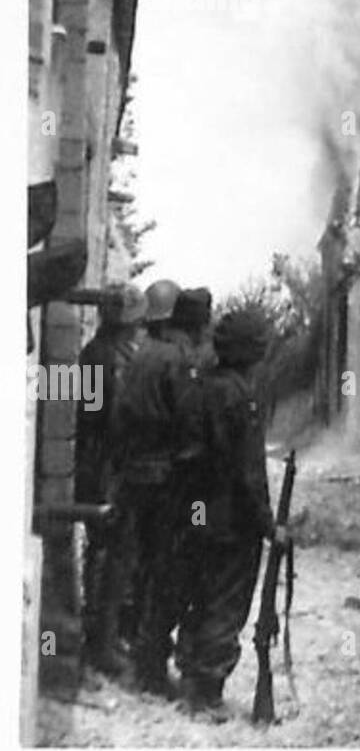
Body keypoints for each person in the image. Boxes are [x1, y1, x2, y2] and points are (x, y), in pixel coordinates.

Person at [173, 308, 285, 718]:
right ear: (252, 352)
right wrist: (268, 525)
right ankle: (206, 692)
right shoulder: (241, 397)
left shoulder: (200, 386)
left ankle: (189, 678)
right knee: (226, 599)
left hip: (197, 511)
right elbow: (248, 473)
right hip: (229, 519)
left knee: (198, 590)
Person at [112, 278, 198, 695]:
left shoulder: (138, 356)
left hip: (131, 474)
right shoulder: (173, 360)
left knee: (138, 562)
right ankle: (149, 666)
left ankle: (129, 646)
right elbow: (186, 421)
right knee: (163, 571)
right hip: (164, 478)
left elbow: (114, 417)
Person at [76, 284, 147, 676]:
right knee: (115, 555)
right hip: (111, 466)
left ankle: (101, 637)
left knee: (103, 553)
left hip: (92, 462)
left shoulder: (89, 353)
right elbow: (113, 419)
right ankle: (103, 645)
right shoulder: (114, 360)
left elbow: (69, 409)